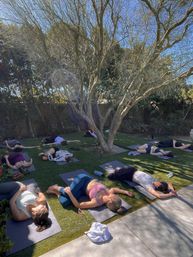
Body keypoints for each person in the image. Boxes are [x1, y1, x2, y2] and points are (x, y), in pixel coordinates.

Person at [47, 173, 133, 213]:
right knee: (67, 195)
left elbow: (78, 205)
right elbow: (114, 189)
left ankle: (56, 190)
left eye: (115, 196)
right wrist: (125, 192)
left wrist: (69, 193)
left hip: (81, 187)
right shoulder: (109, 193)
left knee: (65, 202)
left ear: (111, 200)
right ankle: (56, 189)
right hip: (85, 179)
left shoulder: (96, 202)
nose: (114, 193)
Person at [107, 167, 177, 199]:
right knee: (122, 169)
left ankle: (114, 174)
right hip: (133, 170)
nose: (158, 182)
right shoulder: (155, 180)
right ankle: (117, 171)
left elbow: (159, 196)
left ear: (158, 186)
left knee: (113, 176)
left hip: (129, 176)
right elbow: (169, 183)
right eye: (160, 182)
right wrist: (172, 191)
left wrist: (170, 195)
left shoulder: (149, 187)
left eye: (159, 184)